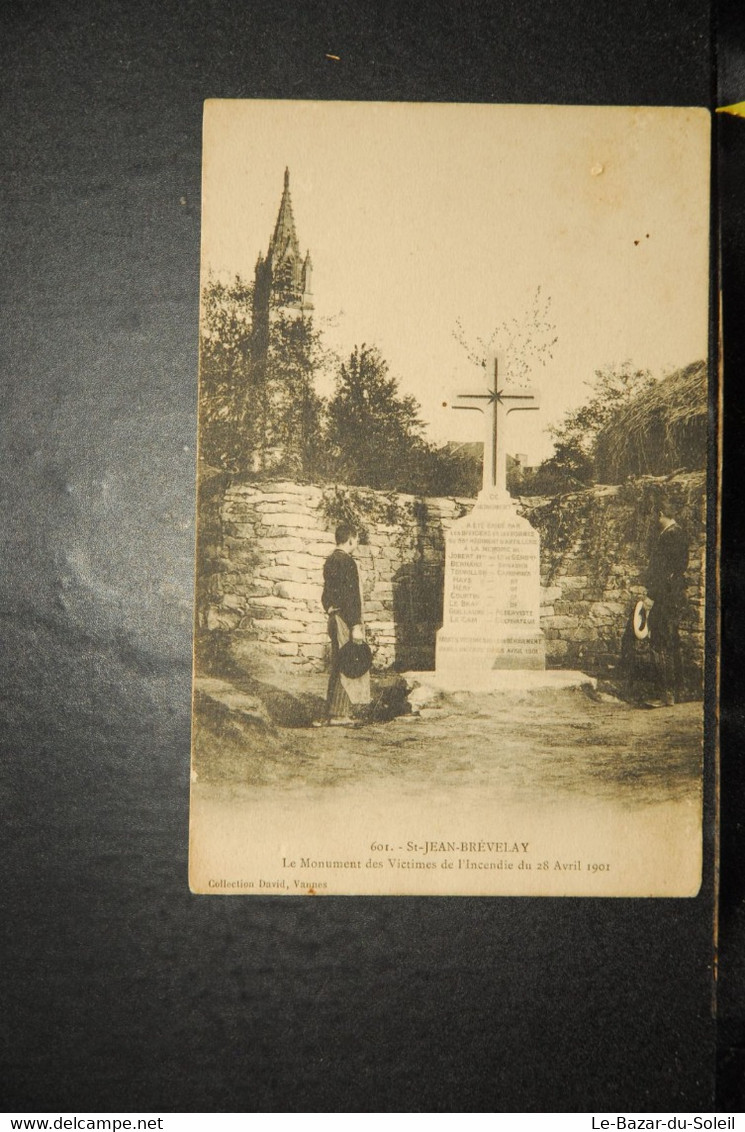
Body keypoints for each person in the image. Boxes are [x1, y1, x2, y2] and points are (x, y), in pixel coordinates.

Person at [322, 523, 371, 723]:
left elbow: (326, 593)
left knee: (338, 662)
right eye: (357, 539)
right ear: (350, 539)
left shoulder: (330, 560)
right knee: (348, 663)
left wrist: (328, 608)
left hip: (334, 616)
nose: (357, 543)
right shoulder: (347, 562)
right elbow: (351, 597)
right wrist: (355, 626)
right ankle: (340, 714)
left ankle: (335, 711)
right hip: (345, 619)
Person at [644, 506, 690, 707]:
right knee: (672, 641)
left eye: (654, 514)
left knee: (659, 643)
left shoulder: (669, 536)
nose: (652, 518)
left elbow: (664, 572)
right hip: (674, 596)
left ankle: (665, 694)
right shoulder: (679, 533)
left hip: (664, 598)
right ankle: (678, 691)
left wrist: (652, 596)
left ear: (661, 513)